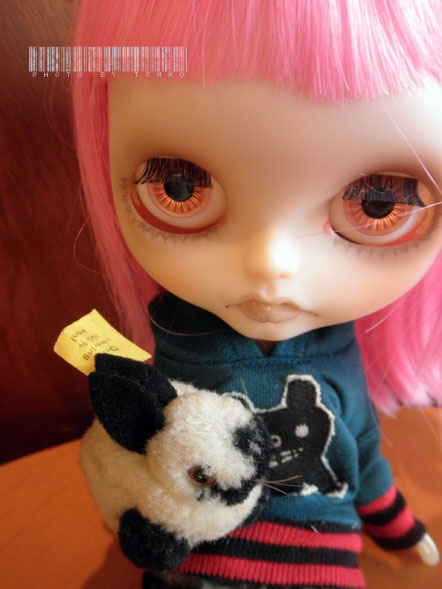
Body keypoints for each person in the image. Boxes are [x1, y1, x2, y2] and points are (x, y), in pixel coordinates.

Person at [71, 1, 442, 587]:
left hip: (320, 555)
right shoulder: (176, 341)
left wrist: (395, 524)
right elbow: (141, 444)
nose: (271, 265)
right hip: (197, 553)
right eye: (180, 187)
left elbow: (363, 448)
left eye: (379, 203)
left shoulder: (337, 356)